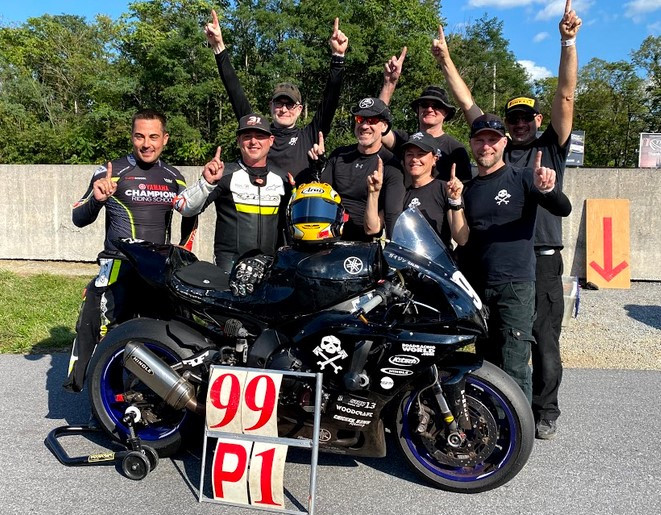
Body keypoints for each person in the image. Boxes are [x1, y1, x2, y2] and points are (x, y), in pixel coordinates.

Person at [433, 0, 582, 439]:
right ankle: (500, 412)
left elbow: (566, 95)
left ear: (536, 120)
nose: (517, 125)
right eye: (511, 118)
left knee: (542, 344)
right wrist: (445, 60)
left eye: (524, 118)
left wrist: (568, 42)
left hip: (540, 257)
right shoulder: (491, 154)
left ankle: (543, 412)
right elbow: (466, 102)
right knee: (499, 341)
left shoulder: (548, 148)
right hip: (496, 258)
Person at [64, 109, 196, 392]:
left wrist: (183, 250)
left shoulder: (176, 177)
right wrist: (97, 201)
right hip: (117, 265)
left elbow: (190, 217)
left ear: (165, 139)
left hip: (156, 271)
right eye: (139, 136)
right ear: (132, 137)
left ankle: (150, 395)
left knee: (163, 336)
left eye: (153, 137)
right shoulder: (110, 171)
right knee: (95, 328)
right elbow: (79, 217)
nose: (146, 144)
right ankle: (97, 395)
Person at [459, 113, 571, 406]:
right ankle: (490, 427)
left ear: (503, 143)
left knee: (514, 363)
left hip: (515, 286)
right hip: (478, 289)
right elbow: (464, 240)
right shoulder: (468, 190)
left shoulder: (523, 177)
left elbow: (563, 207)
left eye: (492, 141)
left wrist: (548, 189)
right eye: (480, 140)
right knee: (485, 362)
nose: (486, 147)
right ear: (472, 144)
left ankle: (518, 439)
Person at [204, 10, 348, 179]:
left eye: (290, 104)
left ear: (300, 109)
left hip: (299, 204)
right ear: (270, 106)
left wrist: (338, 57)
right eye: (279, 103)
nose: (284, 109)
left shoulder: (309, 136)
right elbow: (235, 93)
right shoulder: (258, 134)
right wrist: (218, 47)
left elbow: (330, 100)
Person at [173, 113, 292, 286]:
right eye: (247, 137)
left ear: (271, 140)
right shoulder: (223, 174)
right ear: (238, 141)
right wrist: (206, 183)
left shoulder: (283, 179)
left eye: (260, 136)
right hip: (229, 266)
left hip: (271, 265)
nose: (253, 142)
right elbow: (184, 207)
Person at [378, 49, 472, 183]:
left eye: (436, 106)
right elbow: (378, 129)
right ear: (417, 109)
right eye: (424, 104)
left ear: (446, 113)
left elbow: (464, 188)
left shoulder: (456, 149)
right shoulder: (406, 140)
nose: (429, 109)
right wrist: (389, 84)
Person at [320, 97, 405, 242]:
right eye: (360, 119)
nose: (365, 126)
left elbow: (385, 222)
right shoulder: (339, 155)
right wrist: (315, 165)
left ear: (384, 127)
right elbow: (321, 196)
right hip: (327, 237)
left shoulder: (391, 166)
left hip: (363, 244)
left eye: (372, 121)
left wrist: (373, 192)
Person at [364, 131, 468, 248]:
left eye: (421, 154)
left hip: (437, 263)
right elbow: (372, 229)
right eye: (409, 154)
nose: (414, 159)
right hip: (404, 264)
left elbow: (461, 239)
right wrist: (373, 193)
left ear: (435, 159)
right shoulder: (400, 191)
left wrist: (455, 202)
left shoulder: (445, 189)